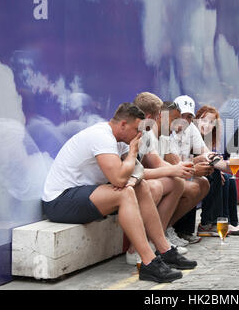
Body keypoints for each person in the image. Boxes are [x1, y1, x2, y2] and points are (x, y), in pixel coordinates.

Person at [41, 103, 196, 283]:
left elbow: (136, 173)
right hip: (59, 201)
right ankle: (149, 262)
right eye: (136, 129)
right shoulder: (101, 137)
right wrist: (132, 154)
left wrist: (131, 174)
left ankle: (165, 250)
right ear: (122, 125)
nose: (140, 134)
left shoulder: (120, 140)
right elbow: (119, 179)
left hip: (83, 194)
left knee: (141, 187)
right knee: (125, 193)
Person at [133, 93, 211, 251]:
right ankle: (157, 238)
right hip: (140, 182)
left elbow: (172, 163)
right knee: (178, 183)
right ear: (160, 116)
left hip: (147, 179)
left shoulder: (164, 136)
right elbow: (158, 165)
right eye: (175, 120)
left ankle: (161, 235)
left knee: (200, 183)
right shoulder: (148, 134)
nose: (177, 125)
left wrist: (194, 168)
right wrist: (192, 169)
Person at [194, 105, 239, 236]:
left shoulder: (207, 140)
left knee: (229, 179)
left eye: (211, 122)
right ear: (196, 120)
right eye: (204, 120)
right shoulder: (193, 135)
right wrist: (220, 168)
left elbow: (211, 158)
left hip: (204, 171)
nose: (207, 125)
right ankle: (208, 223)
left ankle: (231, 223)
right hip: (193, 172)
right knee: (219, 176)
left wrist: (224, 167)